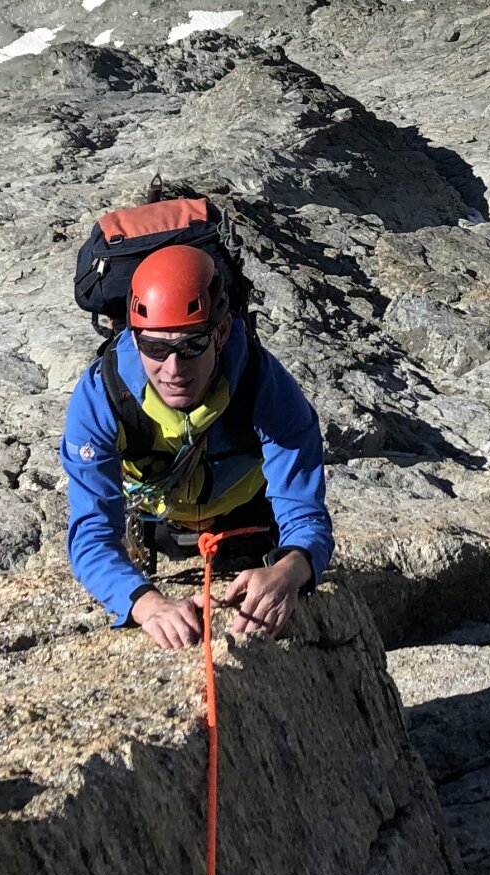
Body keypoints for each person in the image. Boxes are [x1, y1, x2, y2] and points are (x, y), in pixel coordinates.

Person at [61, 241, 334, 649]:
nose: (173, 368)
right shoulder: (102, 397)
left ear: (221, 332)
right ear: (134, 338)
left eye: (191, 345)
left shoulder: (264, 386)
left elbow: (304, 512)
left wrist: (291, 568)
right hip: (156, 522)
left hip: (250, 519)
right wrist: (144, 602)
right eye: (155, 347)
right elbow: (91, 533)